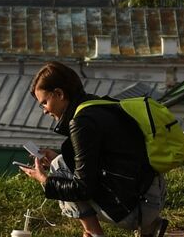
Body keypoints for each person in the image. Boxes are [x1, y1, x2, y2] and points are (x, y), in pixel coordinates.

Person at [21, 61, 168, 237]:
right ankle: (150, 227)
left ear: (59, 94)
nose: (44, 111)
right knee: (60, 161)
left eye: (44, 102)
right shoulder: (100, 105)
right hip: (154, 197)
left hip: (135, 211)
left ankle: (95, 234)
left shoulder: (82, 122)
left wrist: (44, 180)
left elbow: (83, 188)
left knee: (59, 168)